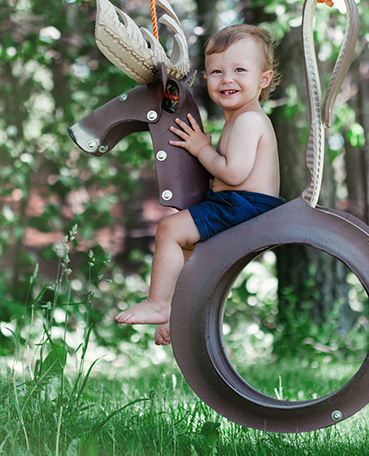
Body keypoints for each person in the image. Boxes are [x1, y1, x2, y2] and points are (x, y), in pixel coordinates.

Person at [114, 24, 285, 345]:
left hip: (244, 206)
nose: (227, 79)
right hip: (239, 205)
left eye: (239, 70)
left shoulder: (249, 120)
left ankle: (156, 304)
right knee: (187, 253)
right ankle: (176, 314)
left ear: (263, 79)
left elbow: (234, 174)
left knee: (169, 230)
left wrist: (199, 147)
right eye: (216, 71)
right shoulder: (241, 117)